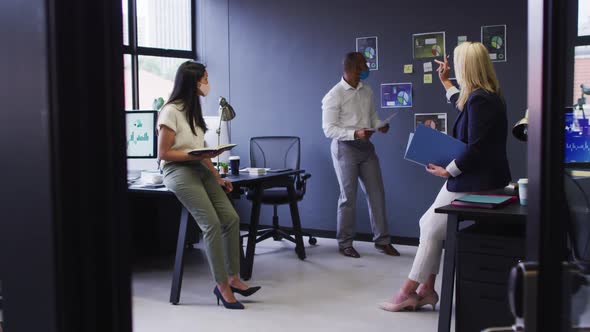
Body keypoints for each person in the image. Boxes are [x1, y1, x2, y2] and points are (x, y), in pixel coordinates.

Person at [379, 42, 511, 311]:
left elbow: (477, 147)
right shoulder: (484, 96)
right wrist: (446, 82)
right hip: (481, 178)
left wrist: (447, 170)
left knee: (430, 227)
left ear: (467, 67)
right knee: (428, 224)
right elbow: (463, 107)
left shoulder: (481, 100)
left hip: (477, 182)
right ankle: (426, 289)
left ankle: (409, 291)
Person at [157, 61, 260, 310]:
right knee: (211, 223)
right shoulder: (171, 111)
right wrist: (194, 157)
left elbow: (201, 151)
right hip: (177, 170)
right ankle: (222, 285)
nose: (207, 83)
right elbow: (164, 152)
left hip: (199, 168)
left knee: (231, 218)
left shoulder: (193, 111)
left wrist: (216, 176)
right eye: (204, 78)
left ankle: (234, 277)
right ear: (193, 82)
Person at [322, 52, 400, 258]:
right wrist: (354, 133)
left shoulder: (367, 91)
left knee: (377, 193)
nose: (366, 68)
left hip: (366, 148)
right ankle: (345, 243)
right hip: (344, 148)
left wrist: (379, 126)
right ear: (352, 68)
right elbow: (328, 130)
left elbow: (372, 117)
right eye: (363, 65)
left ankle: (382, 241)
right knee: (348, 197)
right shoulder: (334, 95)